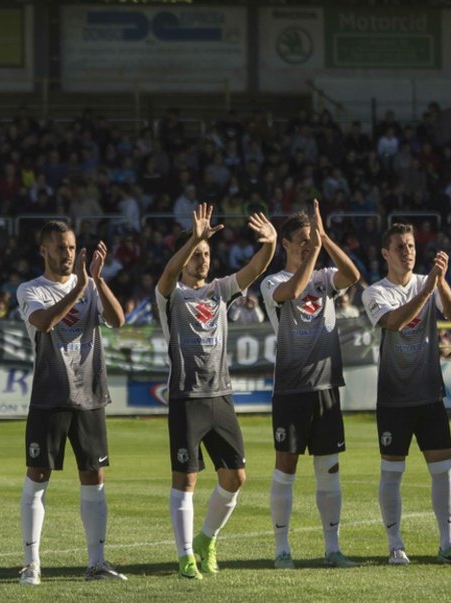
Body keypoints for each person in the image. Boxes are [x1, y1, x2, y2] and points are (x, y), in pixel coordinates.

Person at [156, 203, 276, 579]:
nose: (203, 259)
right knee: (186, 479)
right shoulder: (171, 296)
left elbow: (254, 270)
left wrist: (270, 245)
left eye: (207, 254)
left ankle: (207, 539)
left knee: (236, 478)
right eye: (196, 254)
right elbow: (166, 275)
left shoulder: (219, 291)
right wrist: (194, 237)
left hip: (221, 396)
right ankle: (185, 555)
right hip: (186, 398)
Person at [15, 220, 128, 585]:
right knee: (38, 475)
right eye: (60, 247)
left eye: (71, 247)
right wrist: (80, 287)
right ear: (43, 250)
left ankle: (96, 562)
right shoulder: (30, 289)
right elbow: (45, 322)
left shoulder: (91, 285)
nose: (67, 254)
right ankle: (32, 563)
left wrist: (97, 280)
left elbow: (118, 319)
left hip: (90, 394)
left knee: (94, 477)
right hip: (50, 397)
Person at [361, 223, 451, 565]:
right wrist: (427, 291)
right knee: (392, 473)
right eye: (399, 247)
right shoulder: (375, 292)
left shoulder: (428, 281)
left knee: (444, 470)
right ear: (385, 254)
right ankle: (395, 545)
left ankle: (448, 544)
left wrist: (440, 282)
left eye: (411, 246)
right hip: (394, 399)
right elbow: (395, 322)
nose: (407, 252)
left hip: (429, 395)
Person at [261, 201, 361, 569]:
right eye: (302, 239)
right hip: (291, 390)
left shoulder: (325, 278)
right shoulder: (272, 282)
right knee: (286, 467)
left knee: (329, 468)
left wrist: (326, 238)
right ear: (285, 243)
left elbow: (352, 275)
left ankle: (332, 548)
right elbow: (292, 289)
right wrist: (315, 251)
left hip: (326, 387)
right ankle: (282, 549)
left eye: (311, 238)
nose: (308, 244)